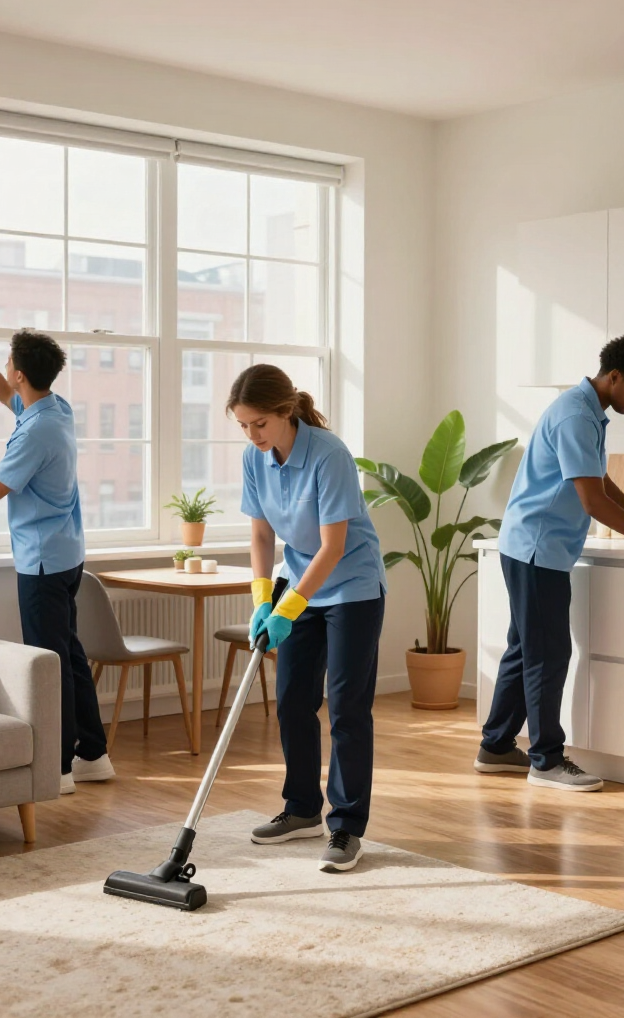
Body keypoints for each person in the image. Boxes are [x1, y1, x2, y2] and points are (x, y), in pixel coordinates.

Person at [475, 335, 624, 792]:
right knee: (548, 654)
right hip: (538, 551)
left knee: (526, 651)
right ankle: (546, 761)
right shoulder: (577, 416)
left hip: (534, 548)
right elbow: (592, 500)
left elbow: (597, 479)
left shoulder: (586, 410)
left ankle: (496, 747)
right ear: (614, 376)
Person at [0, 327, 113, 797]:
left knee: (48, 664)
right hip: (65, 554)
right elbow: (7, 392)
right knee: (68, 656)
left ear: (22, 372)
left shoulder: (38, 430)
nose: (7, 374)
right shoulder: (53, 407)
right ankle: (94, 754)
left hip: (43, 563)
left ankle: (60, 766)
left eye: (9, 364)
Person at [228, 364, 386, 873]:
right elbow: (260, 537)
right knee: (293, 701)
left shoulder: (328, 454)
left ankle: (345, 826)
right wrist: (260, 601)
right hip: (298, 588)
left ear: (285, 411)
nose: (252, 436)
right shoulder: (256, 460)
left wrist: (288, 607)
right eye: (243, 426)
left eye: (259, 424)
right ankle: (301, 810)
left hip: (352, 589)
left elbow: (334, 546)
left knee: (346, 708)